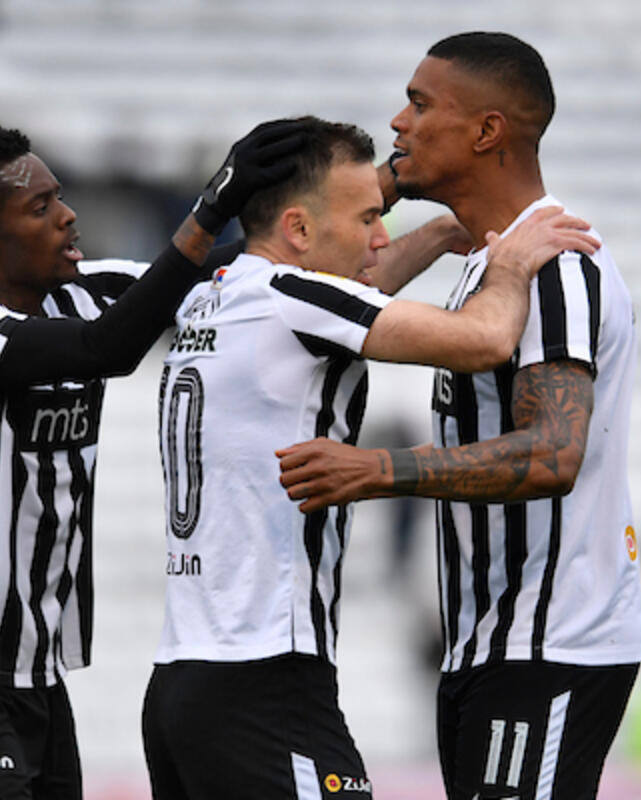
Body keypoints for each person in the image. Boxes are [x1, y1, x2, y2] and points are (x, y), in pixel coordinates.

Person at [143, 116, 598, 800]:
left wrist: (440, 234)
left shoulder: (215, 295)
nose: (380, 236)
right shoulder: (294, 298)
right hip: (266, 681)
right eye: (366, 218)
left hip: (183, 681)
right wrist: (507, 266)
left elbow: (352, 287)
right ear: (299, 229)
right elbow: (485, 340)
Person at [0, 119, 307, 800]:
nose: (68, 216)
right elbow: (104, 349)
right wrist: (209, 207)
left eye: (61, 197)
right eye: (40, 207)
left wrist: (381, 189)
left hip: (38, 681)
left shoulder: (86, 289)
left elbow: (245, 278)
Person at [277, 33, 641, 800]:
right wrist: (426, 211)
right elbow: (315, 289)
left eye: (419, 104)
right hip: (489, 646)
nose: (398, 123)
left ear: (486, 131)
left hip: (547, 645)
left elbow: (552, 454)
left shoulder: (553, 267)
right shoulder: (494, 264)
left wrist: (378, 470)